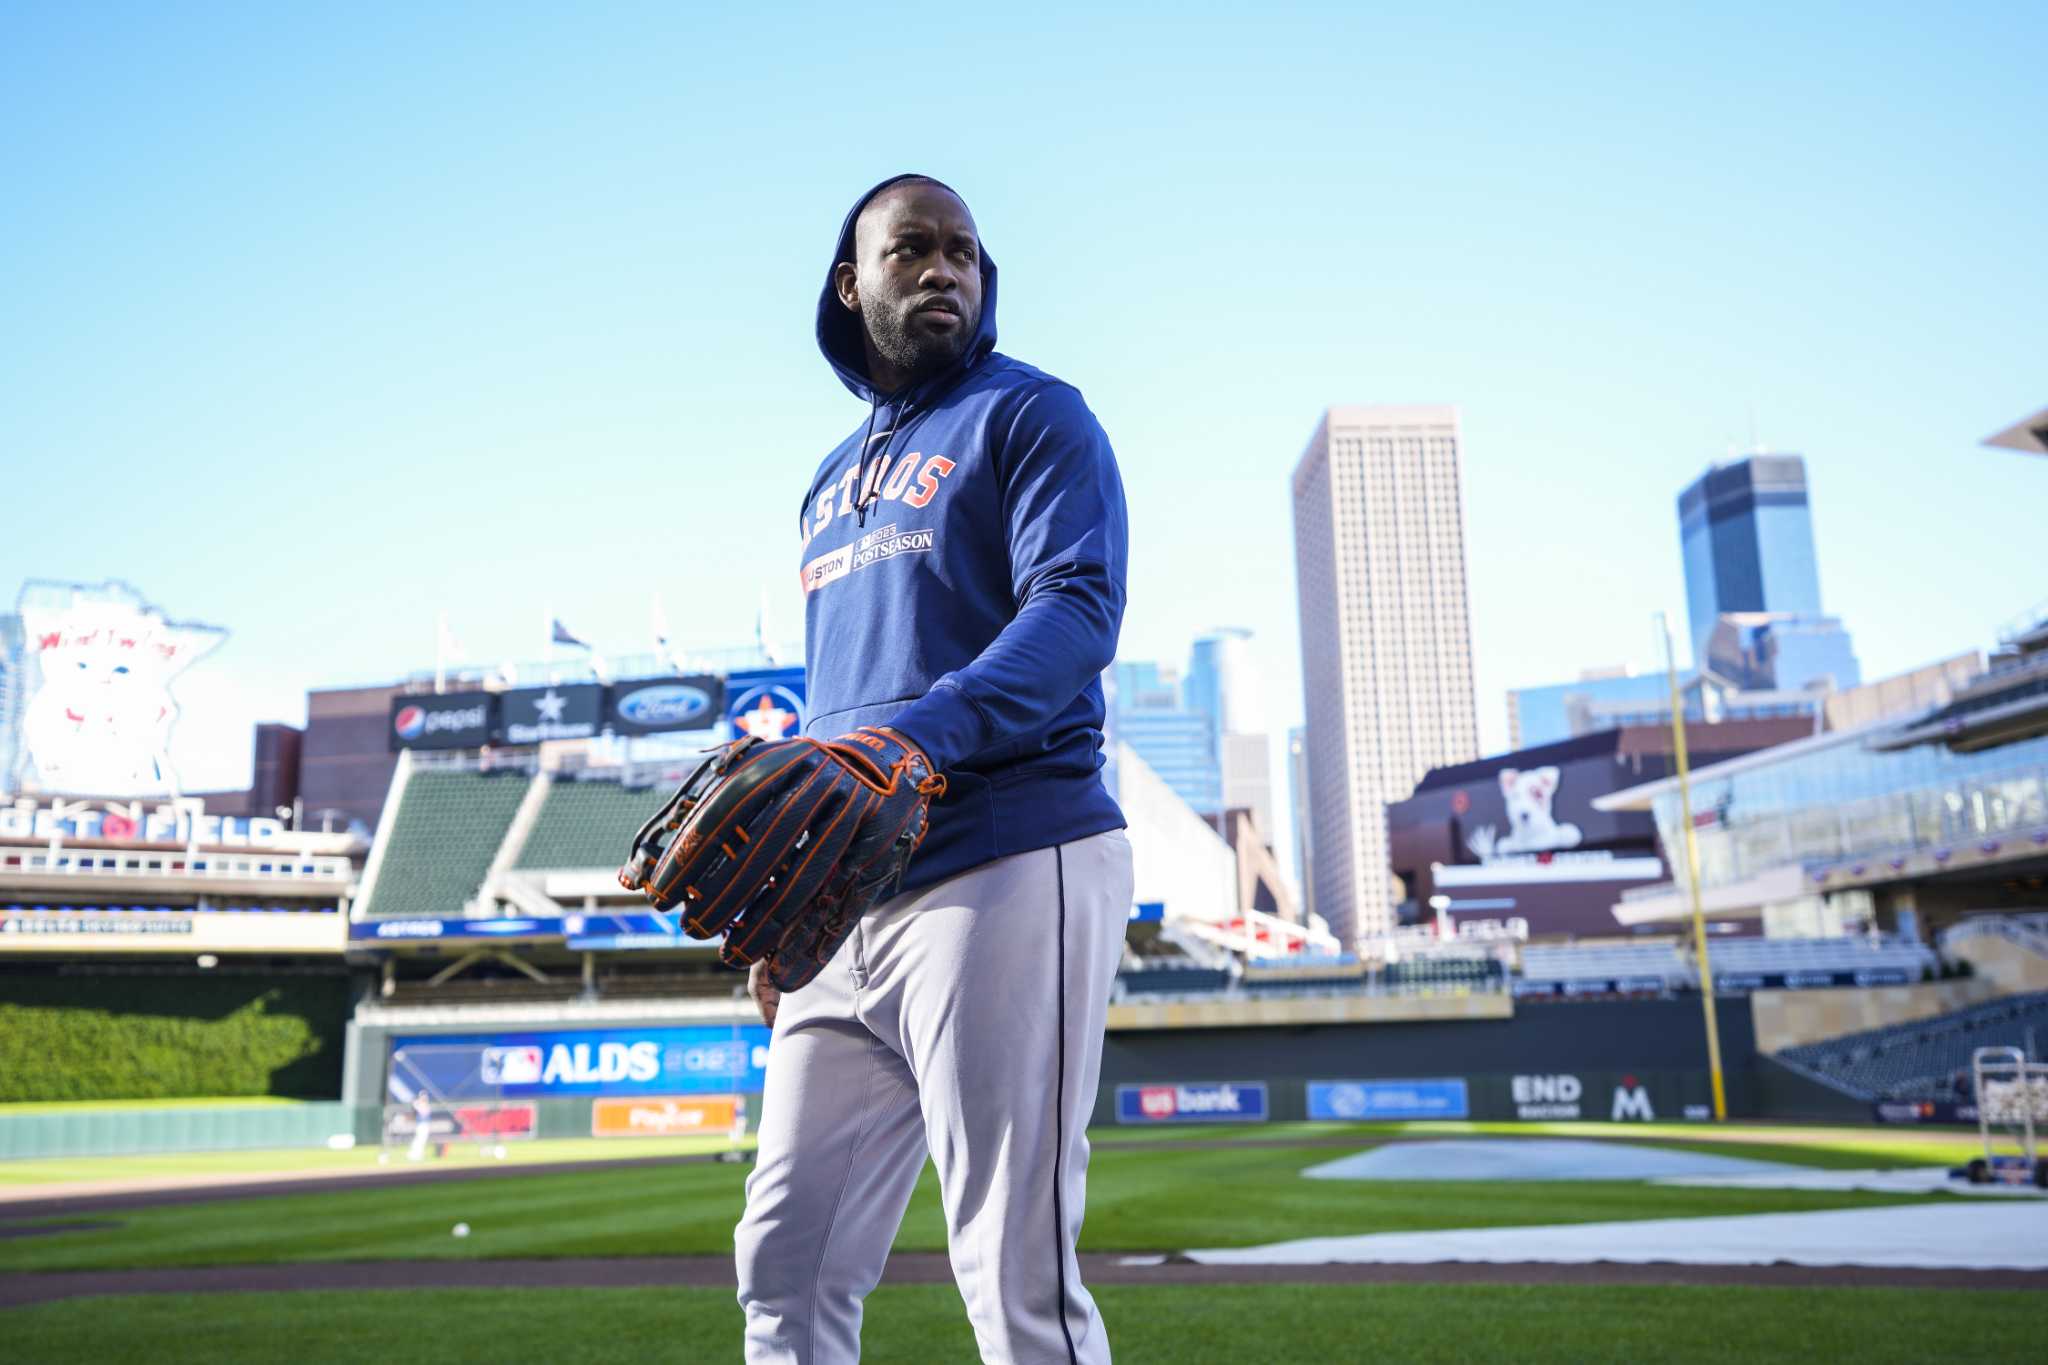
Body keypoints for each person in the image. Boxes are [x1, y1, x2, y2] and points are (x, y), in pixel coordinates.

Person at [733, 174, 1132, 1364]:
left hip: (1010, 850)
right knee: (783, 1265)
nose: (943, 268)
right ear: (851, 285)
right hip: (850, 902)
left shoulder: (1032, 414)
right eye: (910, 249)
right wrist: (787, 901)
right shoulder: (821, 484)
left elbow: (1077, 611)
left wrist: (919, 736)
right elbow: (832, 712)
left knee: (1014, 1273)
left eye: (961, 250)